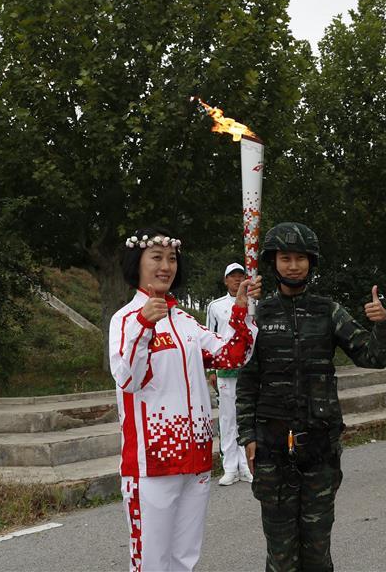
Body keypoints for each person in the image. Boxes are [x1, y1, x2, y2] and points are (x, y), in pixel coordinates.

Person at [237, 222, 386, 572]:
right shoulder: (258, 315)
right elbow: (247, 381)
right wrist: (246, 435)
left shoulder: (328, 311)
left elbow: (374, 357)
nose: (293, 266)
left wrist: (381, 324)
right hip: (272, 449)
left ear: (311, 262)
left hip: (319, 449)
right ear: (273, 262)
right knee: (280, 554)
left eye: (301, 259)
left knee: (317, 550)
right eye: (285, 258)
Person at [109, 226, 262, 572]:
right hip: (152, 465)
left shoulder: (186, 322)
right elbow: (128, 379)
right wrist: (144, 326)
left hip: (195, 461)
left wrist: (242, 312)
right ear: (138, 262)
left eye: (172, 259)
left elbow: (232, 357)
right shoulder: (125, 320)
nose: (166, 266)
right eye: (157, 258)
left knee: (184, 560)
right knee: (150, 563)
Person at [205, 262, 253, 485]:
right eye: (232, 276)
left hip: (248, 366)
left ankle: (246, 466)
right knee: (227, 418)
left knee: (246, 417)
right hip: (224, 369)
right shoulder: (215, 306)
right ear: (225, 280)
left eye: (240, 275)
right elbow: (209, 338)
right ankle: (229, 467)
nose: (236, 279)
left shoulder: (254, 303)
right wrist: (211, 370)